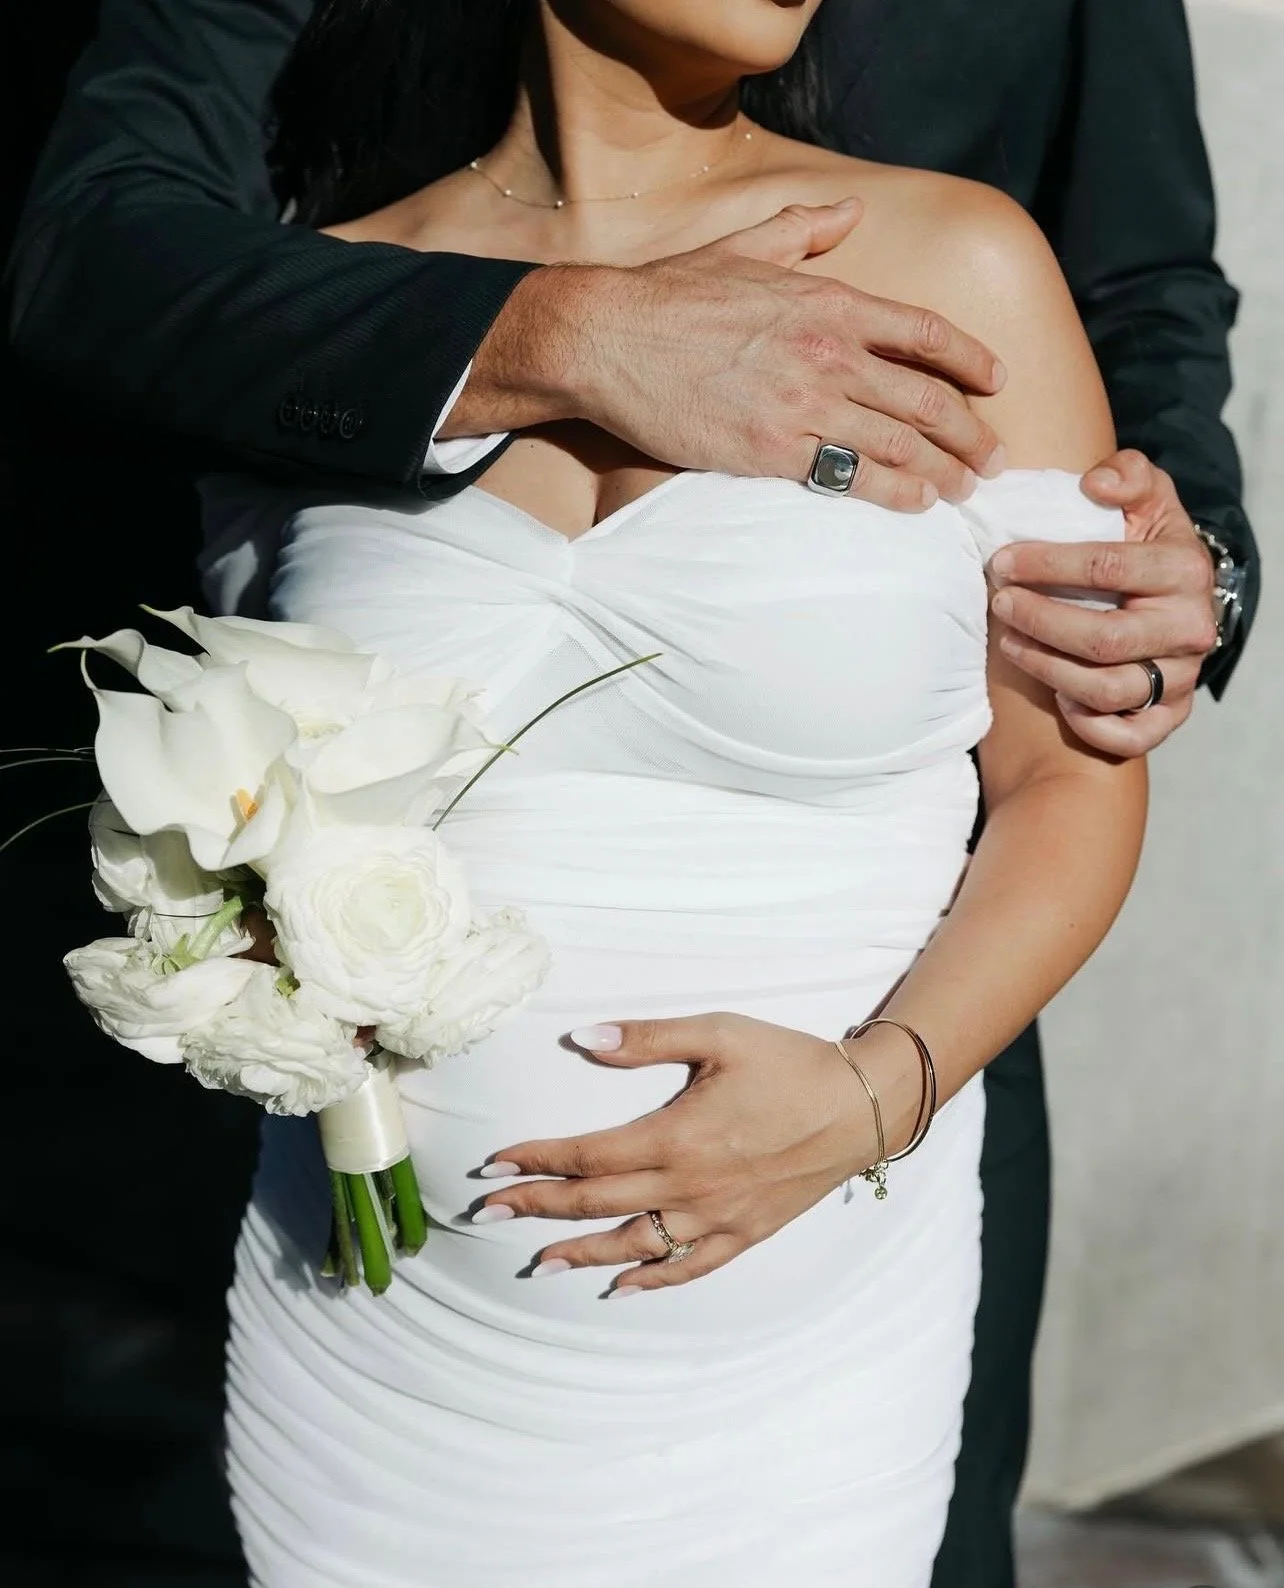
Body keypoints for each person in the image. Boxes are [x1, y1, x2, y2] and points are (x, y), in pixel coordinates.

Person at [5, 2, 1254, 1584]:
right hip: (375, 1361)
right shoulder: (334, 297)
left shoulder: (956, 265)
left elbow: (1067, 786)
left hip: (814, 1343)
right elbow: (234, 765)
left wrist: (879, 1092)